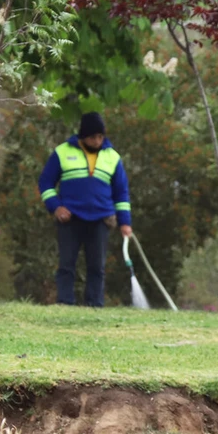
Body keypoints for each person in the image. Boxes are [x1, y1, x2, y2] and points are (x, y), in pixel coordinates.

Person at [38, 112, 132, 307]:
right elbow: (45, 182)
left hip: (101, 219)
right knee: (66, 264)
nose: (97, 141)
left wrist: (125, 223)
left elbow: (121, 193)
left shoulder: (113, 157)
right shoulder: (62, 152)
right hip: (70, 218)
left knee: (97, 267)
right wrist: (56, 207)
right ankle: (65, 302)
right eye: (92, 137)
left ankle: (95, 305)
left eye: (100, 137)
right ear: (82, 136)